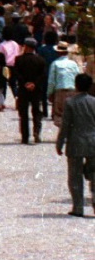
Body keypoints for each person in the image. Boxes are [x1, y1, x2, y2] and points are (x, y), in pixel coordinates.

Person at [56, 74, 95, 217]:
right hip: (93, 142)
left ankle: (78, 207)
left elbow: (65, 125)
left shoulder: (70, 102)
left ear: (76, 85)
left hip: (76, 142)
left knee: (75, 176)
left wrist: (60, 142)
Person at [14, 38, 46, 144]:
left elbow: (17, 74)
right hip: (36, 90)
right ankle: (37, 131)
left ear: (26, 46)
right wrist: (34, 83)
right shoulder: (41, 60)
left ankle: (25, 136)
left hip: (23, 89)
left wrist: (25, 83)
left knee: (23, 113)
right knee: (36, 111)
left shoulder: (18, 59)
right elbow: (43, 75)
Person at [48, 41, 80, 129]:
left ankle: (63, 132)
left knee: (58, 113)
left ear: (57, 52)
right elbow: (77, 77)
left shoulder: (55, 64)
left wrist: (49, 93)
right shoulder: (73, 64)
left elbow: (51, 81)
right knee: (71, 112)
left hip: (60, 90)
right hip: (73, 90)